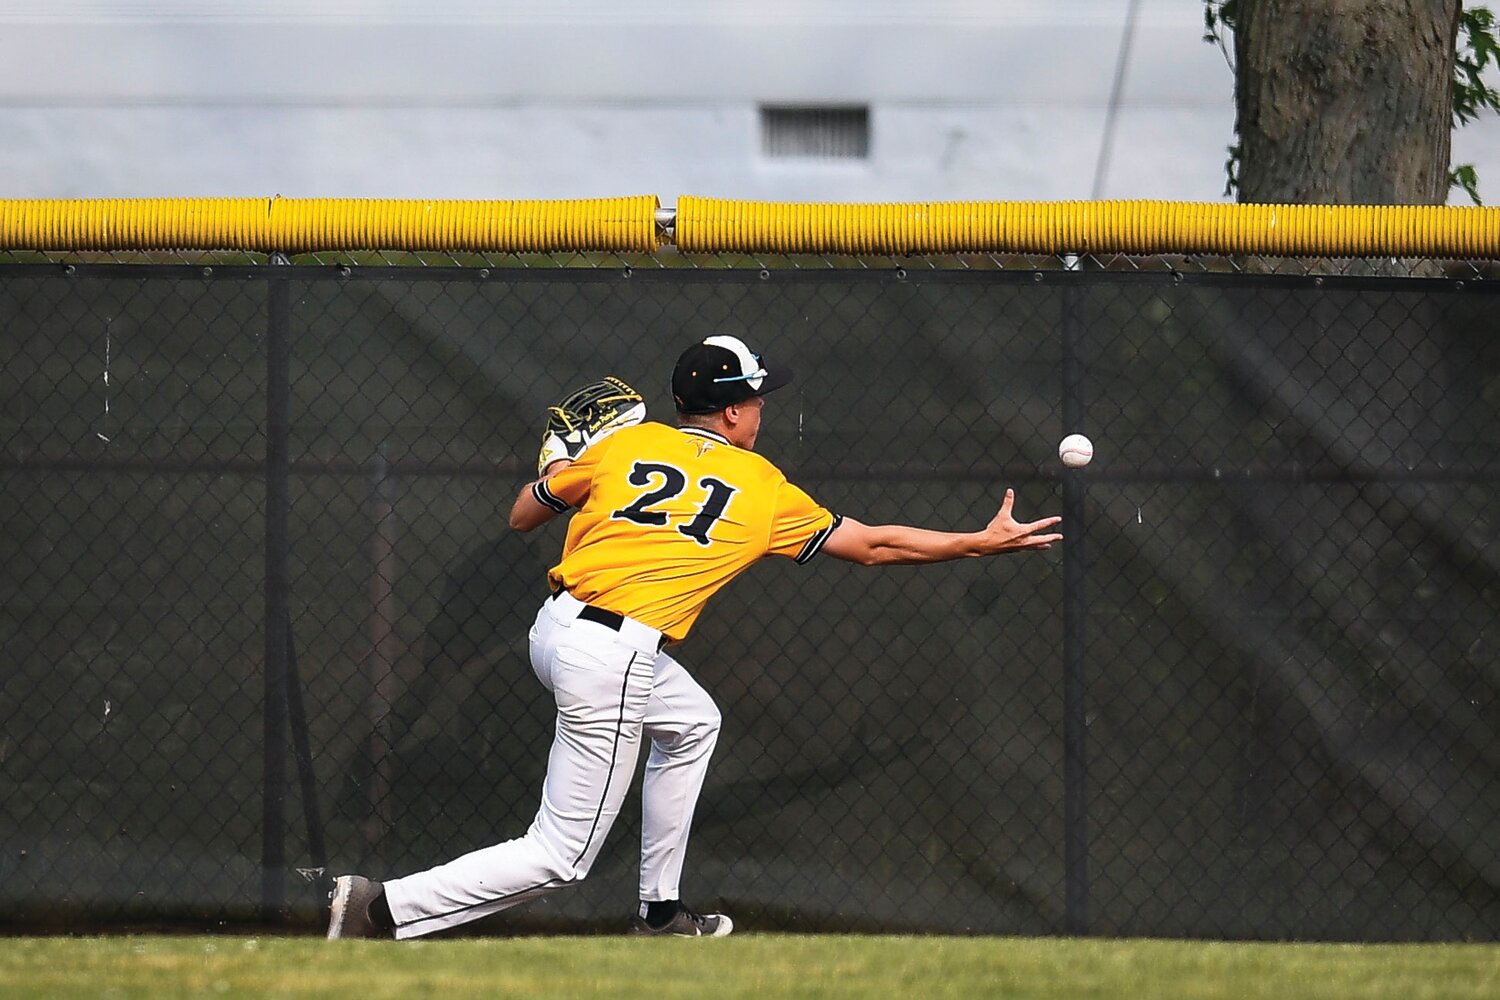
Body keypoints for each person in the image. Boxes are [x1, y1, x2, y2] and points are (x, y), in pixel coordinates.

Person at [327, 333, 1062, 940]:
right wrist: (976, 542)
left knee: (691, 722)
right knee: (560, 856)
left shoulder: (625, 446)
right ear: (733, 411)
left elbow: (524, 515)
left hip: (556, 630)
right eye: (755, 397)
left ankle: (658, 914)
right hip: (611, 657)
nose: (761, 409)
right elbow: (872, 545)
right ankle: (377, 909)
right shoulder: (762, 487)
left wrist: (556, 461)